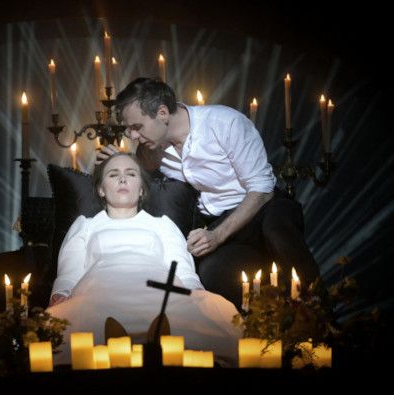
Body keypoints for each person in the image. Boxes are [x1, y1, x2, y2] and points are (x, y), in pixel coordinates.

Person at [97, 77, 320, 308]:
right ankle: (265, 328)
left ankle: (320, 312)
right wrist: (116, 161)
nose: (131, 136)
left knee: (277, 229)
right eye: (129, 129)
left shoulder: (225, 122)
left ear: (162, 113)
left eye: (137, 127)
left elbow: (262, 190)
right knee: (212, 271)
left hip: (263, 206)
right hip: (220, 220)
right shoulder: (151, 147)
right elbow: (138, 170)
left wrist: (217, 236)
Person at [47, 153, 242, 367]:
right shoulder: (86, 225)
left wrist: (196, 291)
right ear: (101, 189)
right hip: (102, 285)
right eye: (113, 175)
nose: (122, 179)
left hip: (158, 285)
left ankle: (156, 343)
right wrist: (61, 293)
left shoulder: (162, 224)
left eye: (130, 174)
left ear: (141, 189)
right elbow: (69, 270)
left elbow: (182, 268)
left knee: (216, 316)